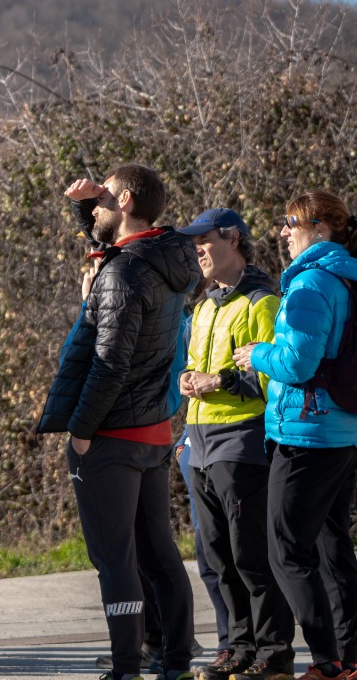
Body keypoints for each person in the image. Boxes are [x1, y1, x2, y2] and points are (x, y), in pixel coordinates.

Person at [37, 165, 199, 680]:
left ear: (126, 200)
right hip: (153, 429)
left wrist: (82, 431)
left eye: (105, 194)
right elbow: (113, 243)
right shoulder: (165, 257)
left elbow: (110, 363)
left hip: (112, 437)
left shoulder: (123, 274)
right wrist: (86, 208)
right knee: (158, 553)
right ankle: (175, 660)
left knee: (116, 560)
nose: (98, 200)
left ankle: (127, 666)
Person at [232, 191, 357, 680]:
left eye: (291, 222)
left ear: (320, 229)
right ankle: (348, 658)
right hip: (343, 432)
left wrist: (257, 354)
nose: (283, 232)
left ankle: (326, 661)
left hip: (306, 434)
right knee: (332, 550)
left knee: (285, 552)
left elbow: (296, 363)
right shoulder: (347, 277)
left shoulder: (309, 285)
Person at [173, 209, 293, 680]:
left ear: (234, 240)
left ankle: (275, 655)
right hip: (199, 444)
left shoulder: (261, 301)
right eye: (193, 242)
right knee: (219, 558)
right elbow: (192, 365)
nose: (196, 249)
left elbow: (268, 377)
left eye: (204, 240)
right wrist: (187, 379)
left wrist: (215, 380)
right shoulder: (203, 306)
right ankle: (237, 647)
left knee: (251, 557)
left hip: (241, 442)